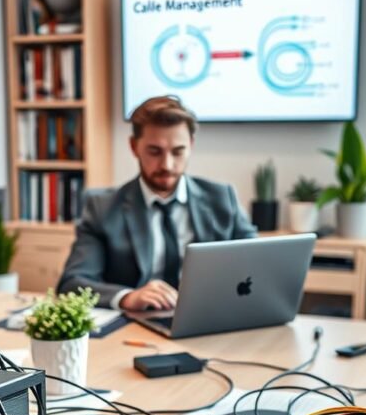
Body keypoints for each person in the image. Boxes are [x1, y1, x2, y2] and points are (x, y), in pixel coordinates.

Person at [57, 95, 256, 309]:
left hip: (211, 317)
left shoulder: (223, 199)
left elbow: (258, 264)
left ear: (191, 145)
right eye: (155, 152)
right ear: (134, 147)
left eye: (178, 151)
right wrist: (127, 297)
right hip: (137, 326)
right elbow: (72, 283)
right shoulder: (102, 208)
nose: (167, 164)